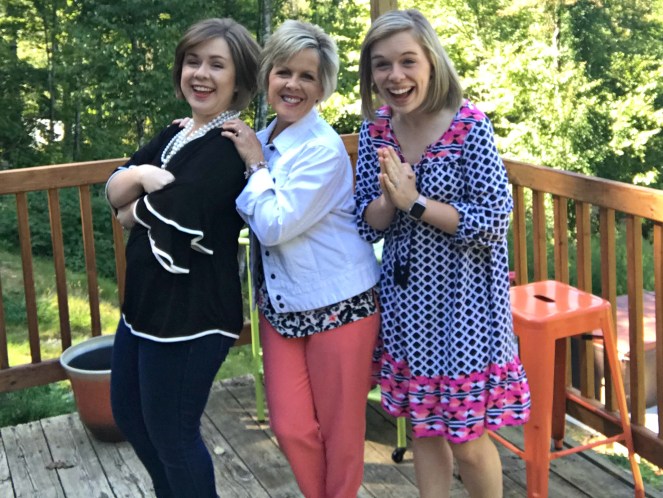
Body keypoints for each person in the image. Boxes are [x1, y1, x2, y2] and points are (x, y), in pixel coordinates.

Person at [354, 9, 530, 498]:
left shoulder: (469, 126)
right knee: (424, 429)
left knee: (467, 438)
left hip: (466, 306)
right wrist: (389, 199)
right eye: (382, 65)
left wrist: (415, 203)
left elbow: (493, 222)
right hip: (407, 305)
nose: (395, 76)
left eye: (407, 61)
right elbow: (365, 222)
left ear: (431, 61)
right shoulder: (375, 131)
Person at [221, 20, 381, 498]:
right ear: (268, 76)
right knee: (291, 427)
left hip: (341, 304)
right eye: (283, 72)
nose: (292, 84)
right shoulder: (262, 137)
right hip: (282, 304)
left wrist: (255, 165)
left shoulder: (322, 149)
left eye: (307, 76)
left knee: (340, 432)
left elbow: (274, 224)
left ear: (322, 87)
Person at [105, 18, 260, 498]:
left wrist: (130, 204)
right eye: (193, 62)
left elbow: (169, 210)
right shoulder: (176, 133)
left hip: (193, 314)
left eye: (217, 65)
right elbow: (113, 188)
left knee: (173, 435)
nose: (201, 74)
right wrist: (140, 177)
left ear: (239, 80)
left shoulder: (228, 145)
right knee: (132, 418)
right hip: (145, 306)